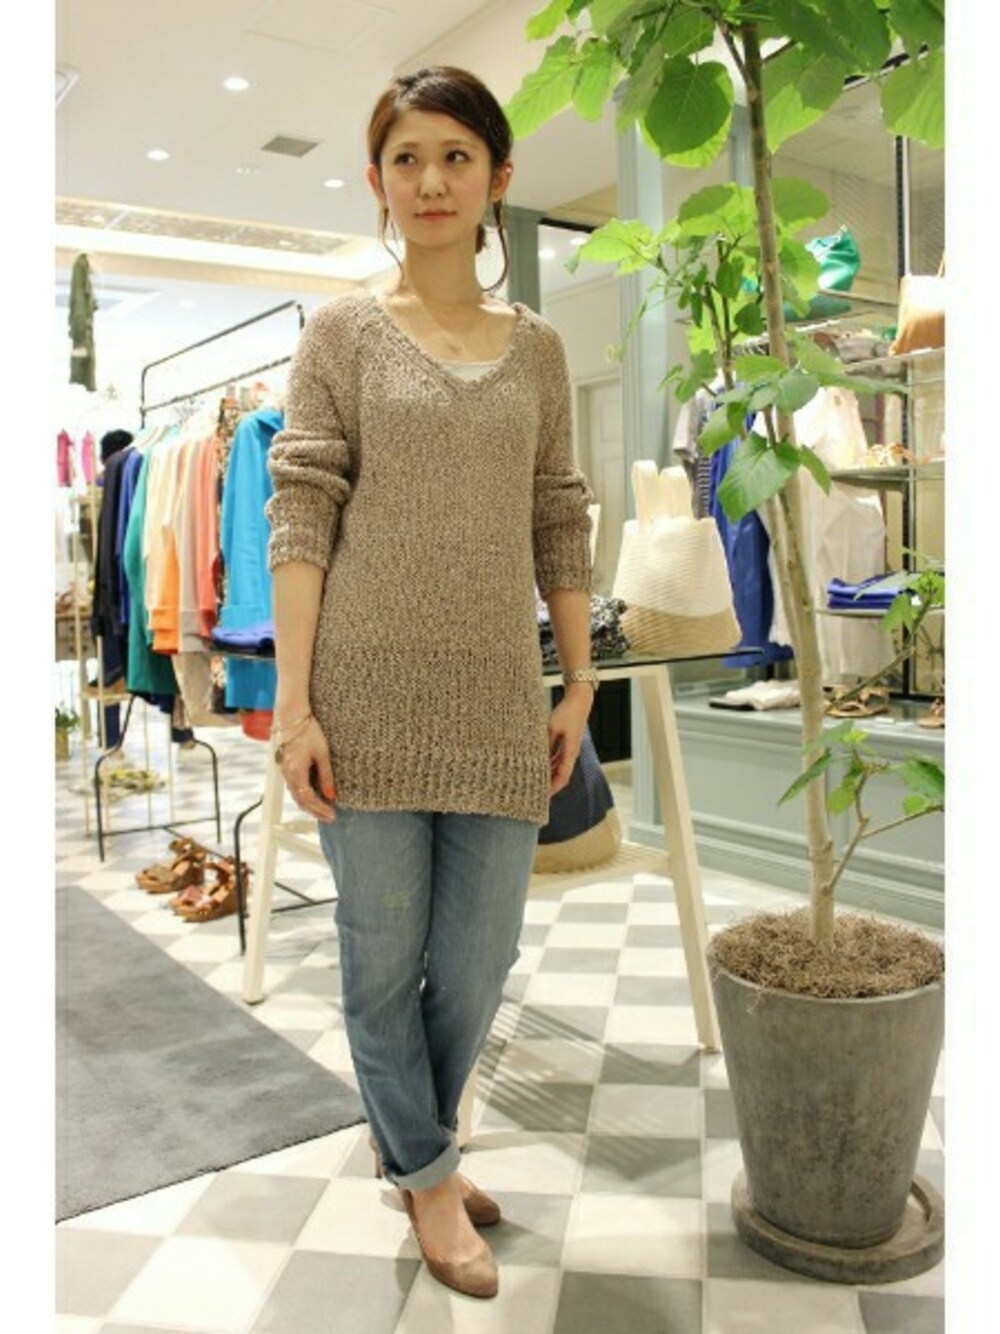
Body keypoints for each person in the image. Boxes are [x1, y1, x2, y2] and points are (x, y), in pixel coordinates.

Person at [265, 65, 597, 1300]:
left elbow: (558, 515)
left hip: (499, 694)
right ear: (377, 182)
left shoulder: (539, 349)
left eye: (456, 155)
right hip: (362, 695)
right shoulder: (340, 334)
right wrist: (295, 706)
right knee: (378, 953)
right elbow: (300, 515)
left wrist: (579, 679)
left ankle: (419, 1148)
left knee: (477, 955)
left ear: (498, 176)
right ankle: (429, 1170)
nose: (431, 180)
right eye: (406, 158)